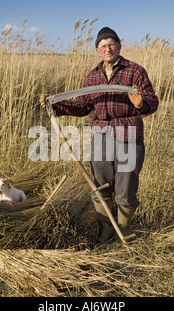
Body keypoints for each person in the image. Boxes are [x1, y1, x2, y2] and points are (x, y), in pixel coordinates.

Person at [40, 27, 159, 242]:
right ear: (97, 50)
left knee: (126, 186)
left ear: (119, 46)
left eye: (111, 44)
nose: (108, 48)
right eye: (103, 45)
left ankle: (122, 230)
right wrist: (57, 106)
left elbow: (152, 104)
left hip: (128, 135)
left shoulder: (135, 71)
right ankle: (106, 228)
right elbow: (82, 106)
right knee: (100, 185)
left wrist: (141, 103)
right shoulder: (92, 77)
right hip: (101, 136)